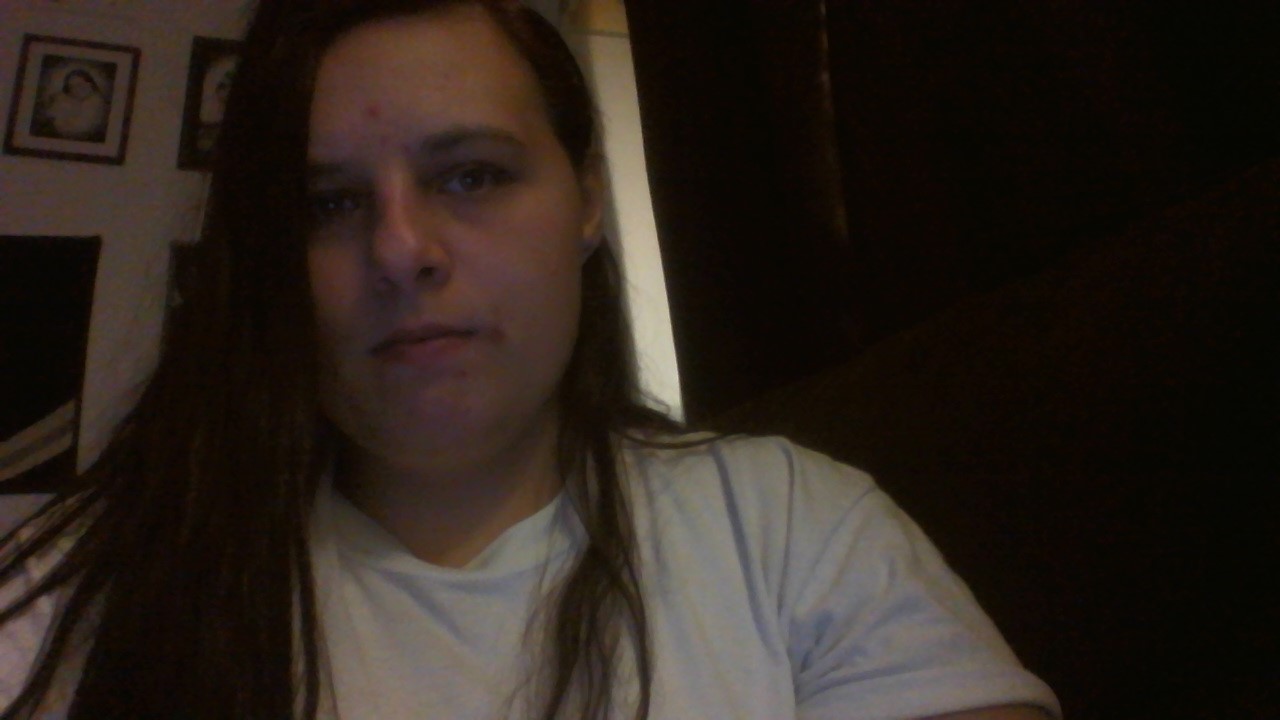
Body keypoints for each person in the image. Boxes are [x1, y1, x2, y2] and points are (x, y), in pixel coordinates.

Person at [0, 1, 1060, 718]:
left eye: (470, 175)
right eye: (328, 203)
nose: (401, 250)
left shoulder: (790, 532)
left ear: (587, 200)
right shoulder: (79, 592)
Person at [34, 68, 109, 142]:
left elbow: (78, 130)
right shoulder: (76, 100)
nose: (75, 90)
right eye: (71, 87)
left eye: (79, 85)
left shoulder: (95, 103)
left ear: (90, 83)